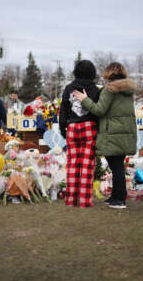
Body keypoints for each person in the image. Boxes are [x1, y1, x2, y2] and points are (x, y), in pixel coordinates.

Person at [73, 62, 137, 209]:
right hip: (124, 131)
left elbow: (99, 110)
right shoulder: (127, 90)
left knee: (116, 166)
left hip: (112, 132)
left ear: (109, 73)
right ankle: (116, 196)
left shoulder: (110, 89)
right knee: (117, 165)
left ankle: (120, 200)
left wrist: (84, 100)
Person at [59, 60, 101, 207]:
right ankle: (84, 201)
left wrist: (62, 127)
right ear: (92, 72)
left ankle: (71, 200)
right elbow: (97, 111)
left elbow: (63, 108)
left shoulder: (69, 88)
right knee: (86, 164)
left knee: (72, 163)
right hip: (89, 126)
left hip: (71, 127)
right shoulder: (95, 89)